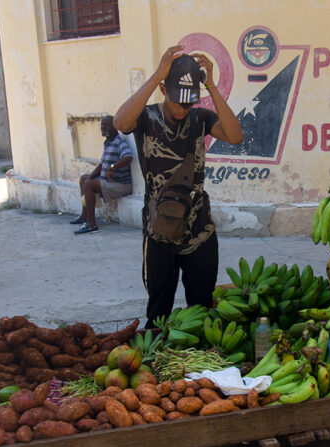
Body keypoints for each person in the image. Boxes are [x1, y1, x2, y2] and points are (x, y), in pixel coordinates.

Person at [114, 48, 243, 327]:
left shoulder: (201, 118)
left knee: (202, 309)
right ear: (163, 89)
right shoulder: (146, 118)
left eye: (189, 102)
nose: (183, 109)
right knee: (159, 312)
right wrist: (157, 75)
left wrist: (210, 85)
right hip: (159, 230)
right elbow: (120, 122)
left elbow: (235, 135)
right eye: (177, 101)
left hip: (199, 229)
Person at [71, 115, 133, 235]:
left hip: (120, 185)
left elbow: (128, 157)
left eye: (106, 125)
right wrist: (90, 177)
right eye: (102, 125)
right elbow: (101, 165)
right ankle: (84, 217)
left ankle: (91, 224)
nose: (103, 127)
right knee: (84, 179)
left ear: (114, 127)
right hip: (107, 182)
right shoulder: (108, 143)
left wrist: (112, 168)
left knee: (89, 184)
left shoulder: (119, 141)